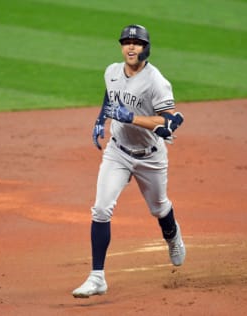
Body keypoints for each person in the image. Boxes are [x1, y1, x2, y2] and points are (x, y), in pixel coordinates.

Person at [72, 24, 186, 298]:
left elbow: (170, 121)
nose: (131, 47)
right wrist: (101, 120)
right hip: (118, 152)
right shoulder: (111, 71)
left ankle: (172, 237)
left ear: (146, 47)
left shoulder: (156, 81)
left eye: (136, 43)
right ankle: (97, 277)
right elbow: (110, 97)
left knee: (159, 209)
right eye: (126, 42)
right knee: (100, 209)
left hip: (150, 157)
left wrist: (131, 117)